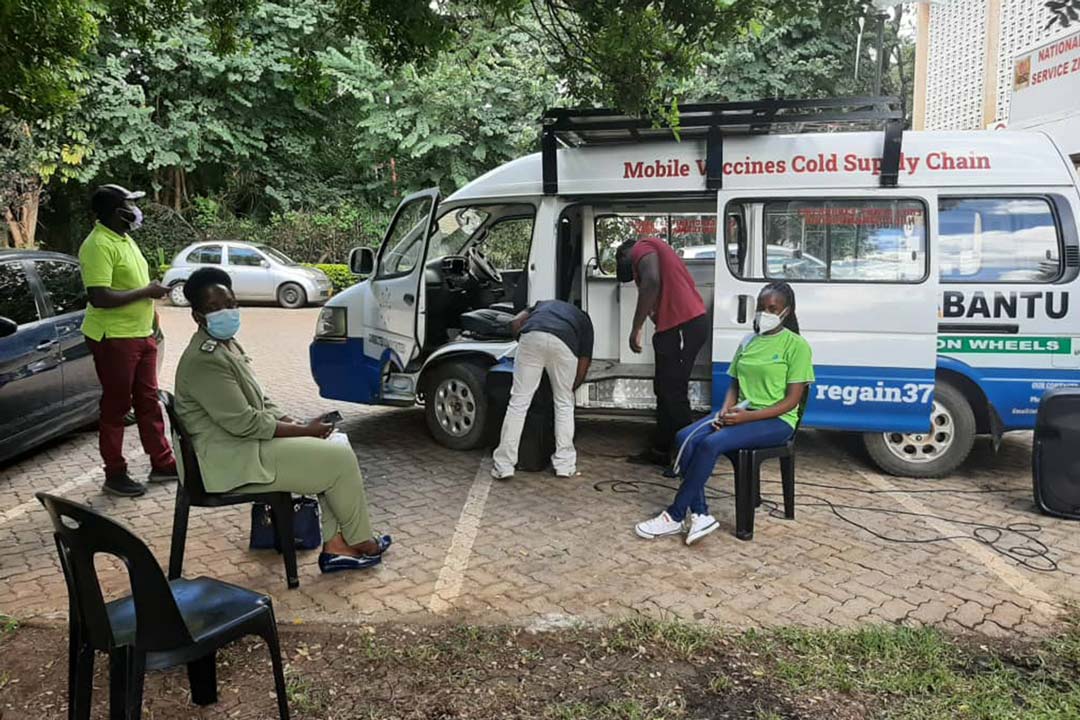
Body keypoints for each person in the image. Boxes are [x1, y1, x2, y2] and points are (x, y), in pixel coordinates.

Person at [174, 267, 390, 573]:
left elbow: (261, 401)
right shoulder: (204, 360)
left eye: (231, 304)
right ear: (197, 316)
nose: (227, 312)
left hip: (243, 445)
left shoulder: (227, 346)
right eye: (214, 308)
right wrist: (302, 431)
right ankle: (360, 541)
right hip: (228, 458)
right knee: (338, 459)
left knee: (335, 443)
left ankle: (338, 547)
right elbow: (245, 423)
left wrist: (298, 423)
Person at [634, 282, 813, 545]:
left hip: (776, 420)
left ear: (787, 311)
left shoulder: (796, 346)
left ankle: (674, 515)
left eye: (772, 308)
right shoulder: (748, 341)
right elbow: (734, 385)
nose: (765, 313)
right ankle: (700, 513)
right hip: (741, 412)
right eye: (761, 307)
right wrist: (726, 411)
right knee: (684, 437)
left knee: (710, 443)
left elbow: (791, 402)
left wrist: (746, 418)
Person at [79, 184, 177, 497]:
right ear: (113, 211)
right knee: (117, 406)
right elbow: (100, 296)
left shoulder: (124, 239)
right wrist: (146, 292)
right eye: (129, 204)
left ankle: (162, 463)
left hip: (141, 334)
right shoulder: (97, 245)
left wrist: (150, 316)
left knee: (149, 402)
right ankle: (115, 473)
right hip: (114, 338)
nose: (135, 210)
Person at [616, 236, 708, 467]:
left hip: (683, 326)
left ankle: (686, 454)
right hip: (682, 325)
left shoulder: (641, 248)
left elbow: (652, 282)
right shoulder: (658, 249)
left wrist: (636, 327)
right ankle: (662, 449)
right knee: (665, 389)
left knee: (673, 393)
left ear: (624, 254)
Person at [492, 300, 594, 480]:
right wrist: (569, 388)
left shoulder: (541, 305)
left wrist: (523, 345)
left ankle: (504, 465)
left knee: (518, 403)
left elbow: (516, 322)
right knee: (563, 404)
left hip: (532, 335)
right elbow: (584, 362)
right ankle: (564, 465)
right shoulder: (583, 319)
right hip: (564, 342)